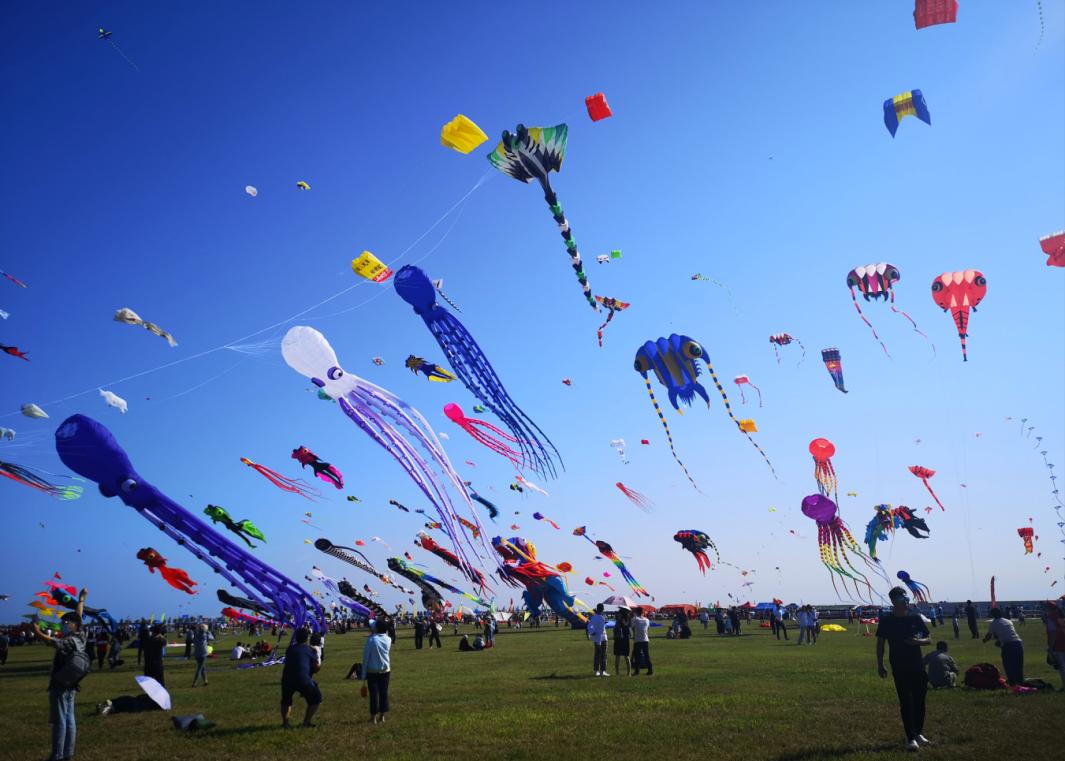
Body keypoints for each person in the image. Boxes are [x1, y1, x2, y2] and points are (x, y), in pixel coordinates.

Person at [876, 586, 932, 752]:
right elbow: (880, 644)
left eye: (906, 598)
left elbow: (929, 639)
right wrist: (880, 664)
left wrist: (918, 642)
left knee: (919, 700)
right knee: (906, 701)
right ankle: (910, 737)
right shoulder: (887, 620)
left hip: (917, 664)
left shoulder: (915, 618)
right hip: (899, 665)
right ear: (894, 601)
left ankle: (918, 732)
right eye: (901, 598)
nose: (905, 601)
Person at [36, 587, 89, 761]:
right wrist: (81, 600)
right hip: (72, 683)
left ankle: (57, 755)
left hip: (60, 684)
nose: (63, 625)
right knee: (70, 719)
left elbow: (51, 641)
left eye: (66, 623)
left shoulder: (68, 640)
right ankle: (68, 753)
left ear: (73, 626)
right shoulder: (81, 635)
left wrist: (37, 630)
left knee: (60, 721)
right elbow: (78, 616)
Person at [280, 628, 321, 728]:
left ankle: (285, 723)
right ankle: (306, 722)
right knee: (316, 699)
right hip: (303, 679)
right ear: (307, 638)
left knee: (286, 701)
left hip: (287, 679)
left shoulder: (290, 649)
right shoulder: (311, 650)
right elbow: (315, 668)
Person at [983, 607, 1025, 685]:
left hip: (1008, 645)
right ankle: (1020, 682)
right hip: (1018, 643)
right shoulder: (1008, 621)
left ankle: (1012, 682)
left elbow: (989, 635)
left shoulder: (993, 623)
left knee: (1008, 665)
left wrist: (985, 640)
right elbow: (1007, 633)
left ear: (992, 615)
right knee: (1018, 666)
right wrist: (999, 641)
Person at [362, 618, 392, 724]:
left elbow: (365, 657)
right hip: (385, 670)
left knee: (374, 694)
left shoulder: (371, 640)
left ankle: (373, 717)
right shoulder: (388, 639)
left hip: (372, 670)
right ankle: (382, 716)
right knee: (384, 693)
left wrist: (363, 673)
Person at [1042, 600, 1065, 689]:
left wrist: (1050, 648)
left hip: (1058, 644)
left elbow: (1053, 633)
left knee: (1062, 666)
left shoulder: (1050, 617)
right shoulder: (1061, 616)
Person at [586, 603, 609, 676]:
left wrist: (592, 632)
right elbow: (601, 629)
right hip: (602, 637)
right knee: (603, 655)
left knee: (598, 654)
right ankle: (602, 671)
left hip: (597, 638)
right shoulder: (602, 618)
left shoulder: (594, 617)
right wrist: (596, 633)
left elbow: (589, 626)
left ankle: (597, 670)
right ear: (602, 609)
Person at [142, 624, 166, 688]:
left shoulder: (147, 640)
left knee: (148, 685)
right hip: (158, 664)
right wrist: (161, 636)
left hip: (148, 664)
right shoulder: (160, 640)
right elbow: (165, 642)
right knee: (161, 683)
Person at [631, 606, 652, 676]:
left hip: (638, 640)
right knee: (647, 656)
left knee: (637, 656)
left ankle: (637, 671)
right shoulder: (647, 620)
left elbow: (633, 628)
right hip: (645, 639)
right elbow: (647, 629)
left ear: (636, 612)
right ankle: (650, 669)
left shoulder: (635, 619)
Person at [613, 608, 632, 677]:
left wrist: (619, 620)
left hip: (621, 639)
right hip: (623, 639)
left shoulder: (623, 620)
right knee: (622, 656)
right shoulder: (624, 620)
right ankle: (624, 673)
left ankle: (623, 673)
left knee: (623, 656)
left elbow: (617, 629)